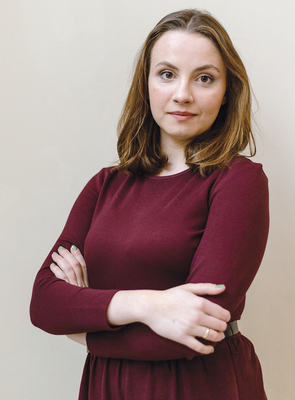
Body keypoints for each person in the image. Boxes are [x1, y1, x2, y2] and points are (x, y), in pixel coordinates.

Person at [30, 9, 269, 400]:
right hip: (107, 386)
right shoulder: (105, 184)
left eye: (204, 78)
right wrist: (146, 305)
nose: (183, 94)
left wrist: (85, 324)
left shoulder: (239, 181)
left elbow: (194, 331)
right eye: (167, 74)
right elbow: (43, 303)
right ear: (146, 84)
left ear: (228, 91)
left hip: (199, 385)